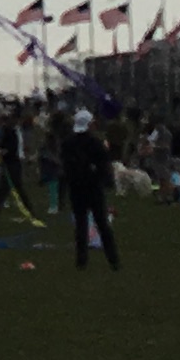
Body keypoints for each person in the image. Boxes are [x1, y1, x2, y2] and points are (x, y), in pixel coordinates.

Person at [60, 106, 120, 268]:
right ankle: (113, 259)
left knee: (81, 225)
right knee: (102, 224)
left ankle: (81, 260)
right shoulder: (95, 143)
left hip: (76, 188)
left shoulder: (67, 143)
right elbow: (104, 165)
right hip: (94, 188)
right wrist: (105, 180)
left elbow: (65, 167)